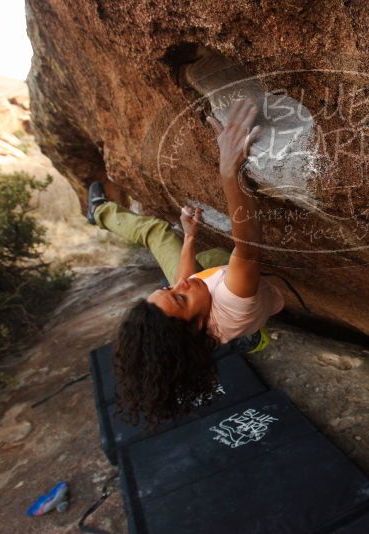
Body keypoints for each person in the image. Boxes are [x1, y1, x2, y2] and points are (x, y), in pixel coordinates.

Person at [86, 99, 283, 425]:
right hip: (243, 293)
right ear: (194, 325)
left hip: (217, 292)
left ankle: (99, 213)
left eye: (166, 288)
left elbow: (186, 283)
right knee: (162, 234)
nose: (179, 283)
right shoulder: (233, 299)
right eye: (177, 297)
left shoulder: (189, 325)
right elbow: (247, 246)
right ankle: (100, 212)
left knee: (177, 247)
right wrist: (228, 169)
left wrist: (190, 237)